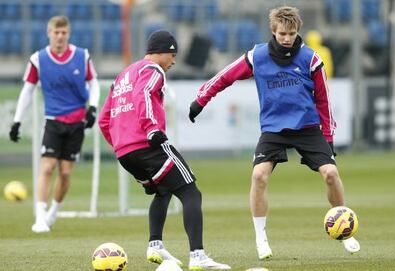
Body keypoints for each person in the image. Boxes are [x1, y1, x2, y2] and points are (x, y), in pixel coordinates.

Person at [188, 6, 360, 260]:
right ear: (273, 31)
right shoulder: (257, 56)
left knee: (331, 174)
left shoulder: (311, 59)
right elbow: (225, 77)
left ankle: (345, 229)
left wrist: (329, 138)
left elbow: (324, 101)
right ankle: (261, 238)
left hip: (307, 127)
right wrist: (201, 99)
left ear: (297, 31)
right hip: (273, 129)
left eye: (291, 33)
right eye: (282, 33)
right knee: (259, 176)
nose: (287, 38)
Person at [98, 30, 231, 270]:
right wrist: (150, 129)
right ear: (165, 51)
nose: (174, 61)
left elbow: (104, 120)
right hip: (148, 144)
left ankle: (155, 245)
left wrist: (120, 143)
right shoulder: (153, 70)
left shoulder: (123, 75)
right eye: (173, 55)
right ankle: (198, 256)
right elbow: (144, 94)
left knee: (164, 190)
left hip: (124, 153)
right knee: (191, 192)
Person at [9, 15, 100, 233]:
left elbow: (93, 82)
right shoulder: (38, 59)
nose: (60, 36)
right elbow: (28, 90)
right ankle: (40, 217)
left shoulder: (82, 56)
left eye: (64, 33)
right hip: (53, 121)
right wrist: (16, 121)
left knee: (66, 173)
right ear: (49, 33)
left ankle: (53, 212)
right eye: (56, 32)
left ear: (68, 34)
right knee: (47, 167)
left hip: (77, 123)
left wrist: (93, 107)